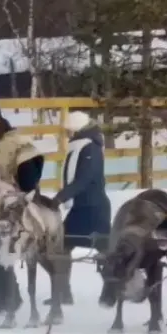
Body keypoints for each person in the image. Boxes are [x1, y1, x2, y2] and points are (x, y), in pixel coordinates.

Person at [0, 98, 46, 315]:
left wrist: (26, 186)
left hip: (8, 203)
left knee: (5, 251)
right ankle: (2, 298)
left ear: (0, 119)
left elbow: (30, 159)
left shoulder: (13, 140)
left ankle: (12, 298)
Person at [51, 110, 111, 305]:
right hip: (80, 207)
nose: (67, 134)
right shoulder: (79, 147)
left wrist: (60, 197)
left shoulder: (90, 148)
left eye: (69, 130)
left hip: (94, 208)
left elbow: (84, 179)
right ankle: (63, 292)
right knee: (61, 245)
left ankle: (110, 290)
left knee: (105, 252)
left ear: (77, 130)